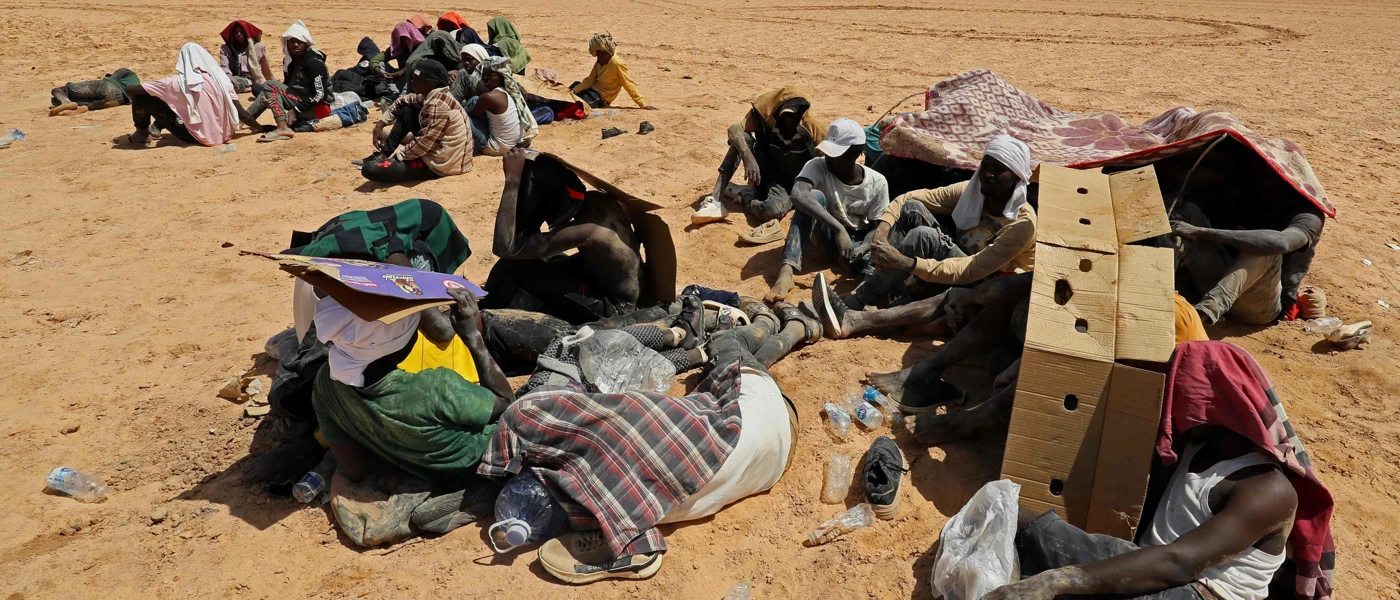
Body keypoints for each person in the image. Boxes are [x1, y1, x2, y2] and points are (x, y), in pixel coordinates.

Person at [477, 299, 820, 583]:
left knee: (732, 353)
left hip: (772, 452)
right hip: (759, 413)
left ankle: (792, 328)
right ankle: (783, 324)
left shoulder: (602, 505)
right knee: (727, 346)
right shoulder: (626, 415)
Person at [984, 341, 1335, 600]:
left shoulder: (1268, 491)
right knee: (1016, 515)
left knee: (1057, 571)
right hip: (1153, 568)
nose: (1168, 410)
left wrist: (1058, 581)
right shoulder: (1198, 445)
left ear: (1212, 407)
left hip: (1199, 592)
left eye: (1178, 399)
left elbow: (1179, 563)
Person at [311, 287, 514, 489]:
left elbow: (355, 470)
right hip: (477, 468)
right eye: (410, 327)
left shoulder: (325, 383)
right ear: (394, 344)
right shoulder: (435, 388)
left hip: (420, 472)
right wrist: (472, 335)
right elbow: (506, 404)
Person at [812, 271, 1031, 429]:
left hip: (1027, 361)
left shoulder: (1027, 224)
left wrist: (913, 264)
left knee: (978, 296)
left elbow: (990, 274)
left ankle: (958, 417)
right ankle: (857, 321)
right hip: (1013, 333)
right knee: (981, 305)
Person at [848, 134, 1037, 310]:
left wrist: (907, 263)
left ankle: (859, 300)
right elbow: (907, 199)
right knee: (912, 208)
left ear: (1016, 177)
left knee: (923, 237)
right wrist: (880, 235)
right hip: (954, 260)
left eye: (998, 170)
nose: (988, 175)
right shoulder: (972, 192)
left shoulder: (1022, 223)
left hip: (983, 282)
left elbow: (971, 269)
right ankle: (887, 285)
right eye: (986, 166)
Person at [480, 149, 642, 324]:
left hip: (614, 308)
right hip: (602, 278)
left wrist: (512, 182)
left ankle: (484, 317)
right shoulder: (596, 200)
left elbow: (504, 249)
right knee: (543, 259)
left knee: (514, 264)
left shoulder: (587, 230)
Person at [766, 118, 890, 302]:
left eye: (836, 154)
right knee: (814, 196)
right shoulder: (818, 165)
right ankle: (786, 271)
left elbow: (876, 227)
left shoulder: (877, 183)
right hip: (826, 235)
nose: (829, 157)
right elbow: (798, 194)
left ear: (855, 153)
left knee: (881, 258)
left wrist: (863, 248)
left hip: (855, 245)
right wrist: (838, 229)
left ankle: (860, 295)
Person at [1170, 198, 1324, 326]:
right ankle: (1161, 293)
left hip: (1259, 307)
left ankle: (1202, 314)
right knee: (1187, 212)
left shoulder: (1309, 213)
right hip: (1219, 278)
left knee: (1266, 252)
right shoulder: (1240, 182)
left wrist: (1199, 232)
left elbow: (1279, 243)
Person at [692, 87, 826, 228]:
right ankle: (715, 199)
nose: (791, 120)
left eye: (796, 115)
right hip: (766, 171)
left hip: (791, 185)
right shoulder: (764, 117)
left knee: (770, 212)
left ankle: (745, 196)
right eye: (787, 116)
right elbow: (735, 130)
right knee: (741, 139)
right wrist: (748, 156)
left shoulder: (812, 128)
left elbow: (830, 162)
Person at [359, 59, 472, 183]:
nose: (412, 82)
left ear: (431, 82)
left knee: (369, 169)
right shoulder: (434, 96)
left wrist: (399, 156)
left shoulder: (437, 105)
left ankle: (386, 157)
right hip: (444, 155)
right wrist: (380, 124)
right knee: (406, 109)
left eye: (417, 79)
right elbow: (402, 101)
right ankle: (384, 153)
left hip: (444, 164)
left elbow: (424, 144)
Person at [113, 43, 240, 147]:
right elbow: (239, 110)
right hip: (224, 133)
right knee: (169, 96)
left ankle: (141, 133)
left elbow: (131, 91)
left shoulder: (176, 82)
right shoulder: (220, 80)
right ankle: (155, 128)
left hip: (195, 137)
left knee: (143, 95)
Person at [244, 20, 330, 141]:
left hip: (317, 107)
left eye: (299, 41)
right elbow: (287, 86)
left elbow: (319, 94)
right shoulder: (289, 62)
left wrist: (296, 110)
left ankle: (282, 127)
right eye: (291, 42)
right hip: (300, 99)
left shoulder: (314, 63)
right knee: (266, 91)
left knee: (270, 85)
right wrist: (272, 99)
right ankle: (242, 120)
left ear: (306, 43)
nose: (295, 45)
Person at [466, 56, 537, 156]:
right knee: (475, 100)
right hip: (513, 143)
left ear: (502, 76)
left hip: (496, 148)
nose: (486, 78)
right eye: (484, 74)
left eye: (492, 74)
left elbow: (472, 114)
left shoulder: (489, 97)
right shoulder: (512, 91)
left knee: (461, 117)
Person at [568, 32, 652, 111]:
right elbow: (590, 80)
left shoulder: (617, 64)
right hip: (591, 90)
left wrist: (642, 104)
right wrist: (574, 90)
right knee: (571, 88)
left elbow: (628, 84)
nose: (598, 58)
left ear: (607, 52)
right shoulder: (599, 62)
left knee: (573, 104)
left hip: (599, 97)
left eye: (601, 54)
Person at [49, 68, 140, 116]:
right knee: (55, 101)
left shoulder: (126, 71)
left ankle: (66, 102)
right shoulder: (136, 87)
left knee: (60, 90)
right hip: (118, 101)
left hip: (109, 86)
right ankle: (80, 107)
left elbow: (112, 78)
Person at [218, 20, 274, 97]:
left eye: (241, 32)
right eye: (236, 32)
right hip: (231, 78)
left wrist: (273, 82)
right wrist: (228, 77)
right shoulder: (226, 49)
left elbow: (266, 69)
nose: (239, 34)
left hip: (250, 80)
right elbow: (225, 67)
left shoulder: (258, 47)